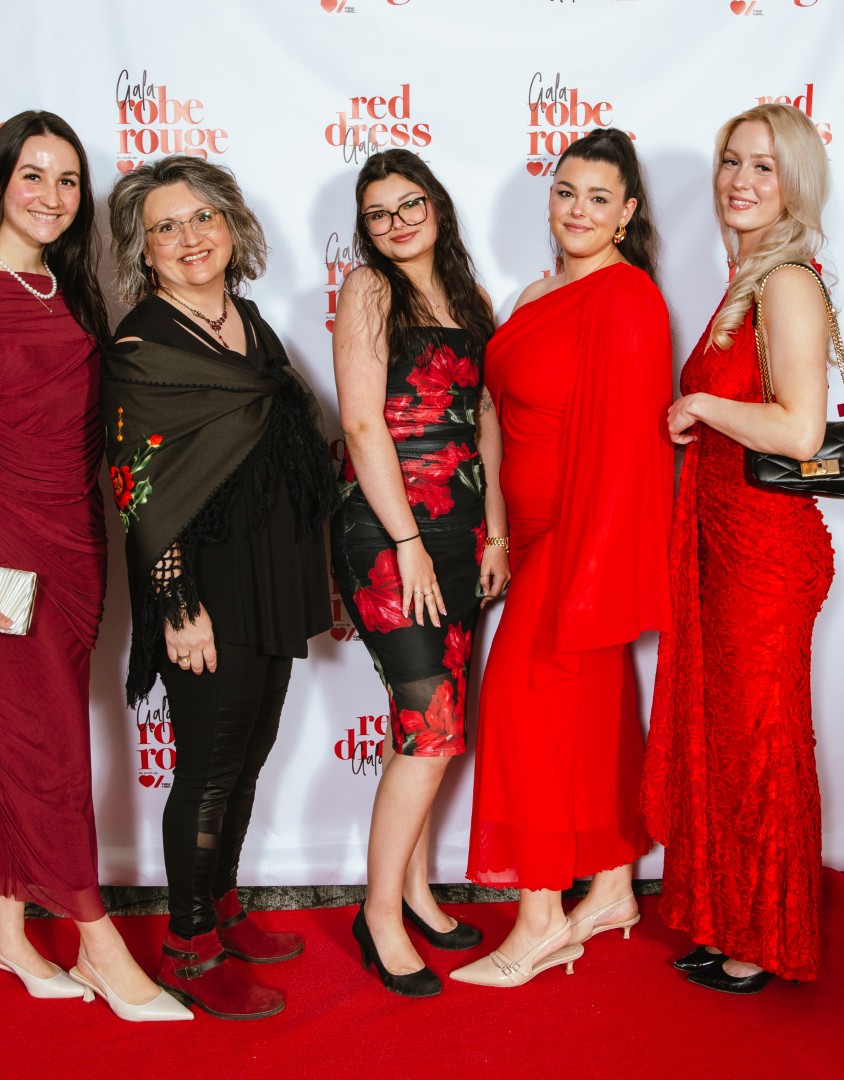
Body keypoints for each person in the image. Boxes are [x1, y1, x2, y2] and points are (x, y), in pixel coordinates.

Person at [0, 110, 190, 1022]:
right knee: (54, 759)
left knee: (19, 753)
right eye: (34, 175)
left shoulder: (62, 289)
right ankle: (100, 945)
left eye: (68, 180)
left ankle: (4, 930)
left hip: (75, 550)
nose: (52, 196)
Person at [102, 156, 336, 1020]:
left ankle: (224, 907)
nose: (189, 237)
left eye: (202, 217)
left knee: (247, 757)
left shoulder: (248, 319)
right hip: (205, 585)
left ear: (231, 225)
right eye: (165, 227)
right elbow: (135, 485)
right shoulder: (143, 346)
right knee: (204, 772)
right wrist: (177, 606)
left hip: (270, 572)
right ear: (144, 251)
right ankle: (188, 946)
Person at [452, 130, 673, 988]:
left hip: (583, 539)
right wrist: (500, 535)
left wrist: (591, 569)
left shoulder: (626, 297)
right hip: (532, 534)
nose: (577, 210)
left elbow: (625, 448)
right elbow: (498, 419)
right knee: (586, 716)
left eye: (597, 198)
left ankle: (540, 919)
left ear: (626, 213)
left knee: (526, 714)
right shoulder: (536, 293)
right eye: (565, 191)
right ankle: (611, 888)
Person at [641, 103, 836, 994]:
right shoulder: (746, 279)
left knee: (760, 739)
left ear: (794, 184)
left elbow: (799, 430)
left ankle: (762, 939)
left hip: (763, 549)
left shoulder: (787, 281)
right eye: (731, 161)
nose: (740, 181)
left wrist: (700, 406)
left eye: (763, 166)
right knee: (727, 737)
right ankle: (730, 918)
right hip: (724, 542)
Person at [331, 149, 509, 997]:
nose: (397, 223)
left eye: (409, 205)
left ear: (436, 206)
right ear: (364, 230)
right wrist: (404, 541)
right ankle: (377, 916)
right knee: (431, 730)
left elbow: (484, 418)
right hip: (386, 529)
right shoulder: (369, 290)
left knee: (424, 728)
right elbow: (362, 426)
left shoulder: (469, 298)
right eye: (378, 213)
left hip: (460, 530)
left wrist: (496, 531)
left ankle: (414, 891)